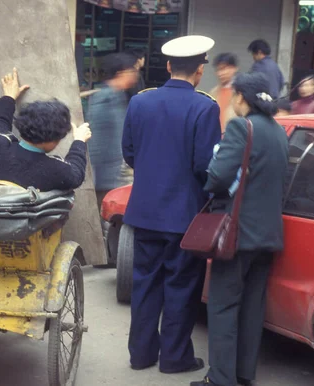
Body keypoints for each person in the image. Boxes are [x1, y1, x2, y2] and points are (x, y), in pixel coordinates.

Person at [122, 35, 221, 374]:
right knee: (181, 288)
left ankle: (141, 354)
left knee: (145, 283)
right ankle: (175, 358)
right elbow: (204, 166)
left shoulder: (140, 102)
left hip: (145, 212)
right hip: (184, 216)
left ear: (167, 66)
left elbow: (130, 153)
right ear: (200, 70)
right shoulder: (205, 107)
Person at [191, 72, 289, 386]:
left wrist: (210, 177)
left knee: (223, 307)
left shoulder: (240, 126)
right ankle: (244, 375)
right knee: (251, 309)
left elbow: (218, 177)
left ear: (242, 98)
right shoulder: (278, 131)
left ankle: (220, 380)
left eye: (234, 95)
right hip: (268, 236)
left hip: (236, 235)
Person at [0, 68, 92, 191]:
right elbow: (76, 174)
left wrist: (9, 97)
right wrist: (79, 140)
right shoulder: (56, 170)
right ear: (53, 141)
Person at [87, 52, 138, 205]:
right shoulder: (104, 99)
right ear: (121, 72)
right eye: (133, 71)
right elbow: (96, 142)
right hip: (105, 178)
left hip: (114, 176)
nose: (136, 75)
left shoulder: (118, 96)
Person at [210, 53, 239, 132]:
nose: (220, 73)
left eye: (224, 69)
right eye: (218, 70)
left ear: (234, 68)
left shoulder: (241, 92)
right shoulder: (213, 92)